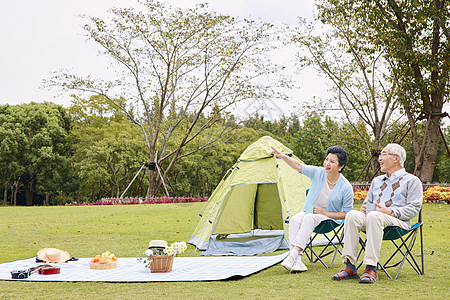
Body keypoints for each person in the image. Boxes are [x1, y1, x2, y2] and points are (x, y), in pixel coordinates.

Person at [332, 143, 422, 283]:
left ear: (396, 158)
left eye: (383, 154)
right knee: (352, 215)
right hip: (374, 220)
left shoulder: (412, 180)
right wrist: (364, 208)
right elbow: (368, 203)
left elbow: (414, 208)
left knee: (374, 215)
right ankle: (350, 266)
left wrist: (391, 211)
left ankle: (371, 267)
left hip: (398, 223)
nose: (379, 158)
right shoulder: (377, 181)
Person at [269, 145, 354, 273]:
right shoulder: (319, 173)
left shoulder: (346, 187)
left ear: (340, 166)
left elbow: (347, 214)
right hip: (310, 211)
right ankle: (297, 261)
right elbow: (298, 166)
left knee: (309, 217)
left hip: (330, 218)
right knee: (294, 219)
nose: (327, 163)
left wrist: (325, 213)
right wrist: (283, 156)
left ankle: (293, 255)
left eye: (332, 161)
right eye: (326, 160)